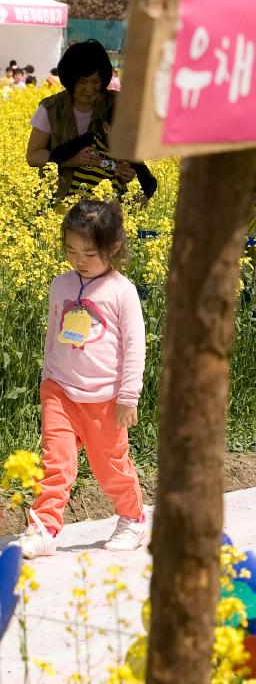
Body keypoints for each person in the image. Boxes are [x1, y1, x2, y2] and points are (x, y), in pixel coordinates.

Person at [21, 199, 146, 558]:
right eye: (71, 250)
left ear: (114, 247)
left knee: (111, 468)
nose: (78, 260)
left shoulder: (122, 291)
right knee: (56, 462)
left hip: (105, 398)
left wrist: (128, 396)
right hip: (59, 391)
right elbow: (52, 335)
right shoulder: (60, 285)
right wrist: (47, 379)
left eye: (88, 253)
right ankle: (43, 527)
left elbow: (134, 347)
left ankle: (132, 519)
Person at [24, 41, 157, 202]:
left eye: (95, 82)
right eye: (82, 82)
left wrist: (129, 171)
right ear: (70, 80)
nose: (89, 89)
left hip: (107, 206)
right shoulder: (51, 108)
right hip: (59, 197)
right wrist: (71, 160)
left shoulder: (117, 104)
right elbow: (33, 155)